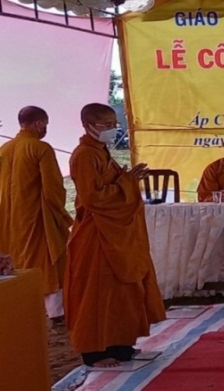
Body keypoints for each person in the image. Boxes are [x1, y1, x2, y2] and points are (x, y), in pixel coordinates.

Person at [65, 103, 166, 367]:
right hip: (97, 236)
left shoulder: (100, 150)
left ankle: (121, 346)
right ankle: (94, 352)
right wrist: (127, 182)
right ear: (88, 124)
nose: (112, 130)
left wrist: (128, 178)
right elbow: (93, 197)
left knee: (123, 292)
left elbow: (110, 185)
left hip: (115, 233)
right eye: (106, 125)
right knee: (98, 294)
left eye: (113, 124)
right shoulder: (84, 155)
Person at [0, 106, 73, 322]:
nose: (46, 130)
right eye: (46, 125)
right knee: (47, 260)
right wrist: (60, 214)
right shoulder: (40, 148)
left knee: (15, 258)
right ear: (40, 123)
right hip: (36, 216)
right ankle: (55, 311)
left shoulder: (4, 149)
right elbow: (53, 188)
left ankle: (20, 305)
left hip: (8, 217)